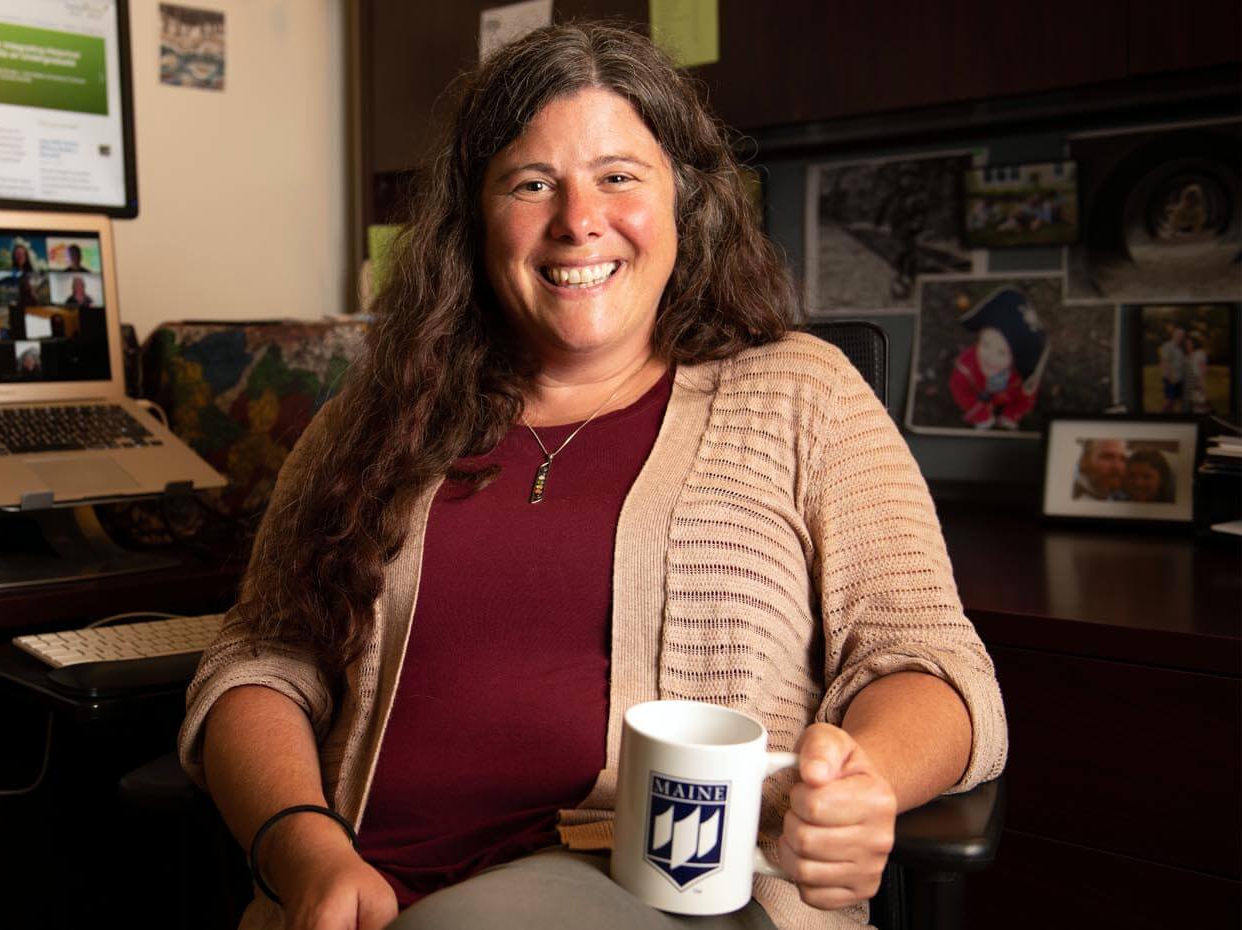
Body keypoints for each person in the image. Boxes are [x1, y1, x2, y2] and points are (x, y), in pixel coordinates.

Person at [178, 24, 1004, 930]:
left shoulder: (798, 391)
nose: (579, 220)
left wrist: (860, 787)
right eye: (532, 184)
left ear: (685, 203)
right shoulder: (376, 412)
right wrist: (306, 846)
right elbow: (261, 656)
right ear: (474, 216)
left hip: (658, 891)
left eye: (619, 176)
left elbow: (928, 658)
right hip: (352, 899)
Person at [948, 287, 1046, 430]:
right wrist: (981, 414)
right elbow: (961, 393)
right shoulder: (965, 370)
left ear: (1016, 356)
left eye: (1001, 352)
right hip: (980, 404)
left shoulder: (1022, 378)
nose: (990, 357)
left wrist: (1010, 416)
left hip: (1004, 402)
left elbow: (1025, 400)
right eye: (986, 344)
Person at [1159, 325, 1187, 412]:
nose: (1180, 337)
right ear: (1174, 335)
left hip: (1179, 378)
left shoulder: (1180, 348)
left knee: (1176, 400)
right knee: (1170, 400)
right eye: (1179, 334)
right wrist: (1171, 377)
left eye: (1182, 335)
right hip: (1171, 378)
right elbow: (1165, 362)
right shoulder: (1167, 346)